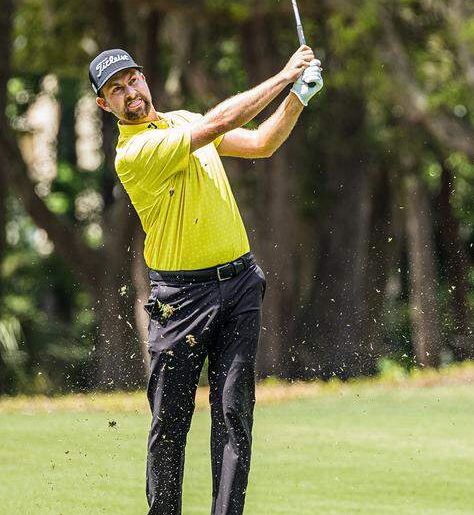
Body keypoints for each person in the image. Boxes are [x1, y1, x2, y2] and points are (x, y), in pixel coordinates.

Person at [89, 44, 323, 515]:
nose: (129, 92)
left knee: (235, 414)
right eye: (115, 90)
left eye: (131, 79)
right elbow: (217, 125)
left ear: (143, 77)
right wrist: (283, 77)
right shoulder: (134, 152)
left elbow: (260, 143)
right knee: (171, 426)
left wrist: (298, 96)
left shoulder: (180, 119)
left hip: (239, 286)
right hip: (181, 300)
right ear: (104, 104)